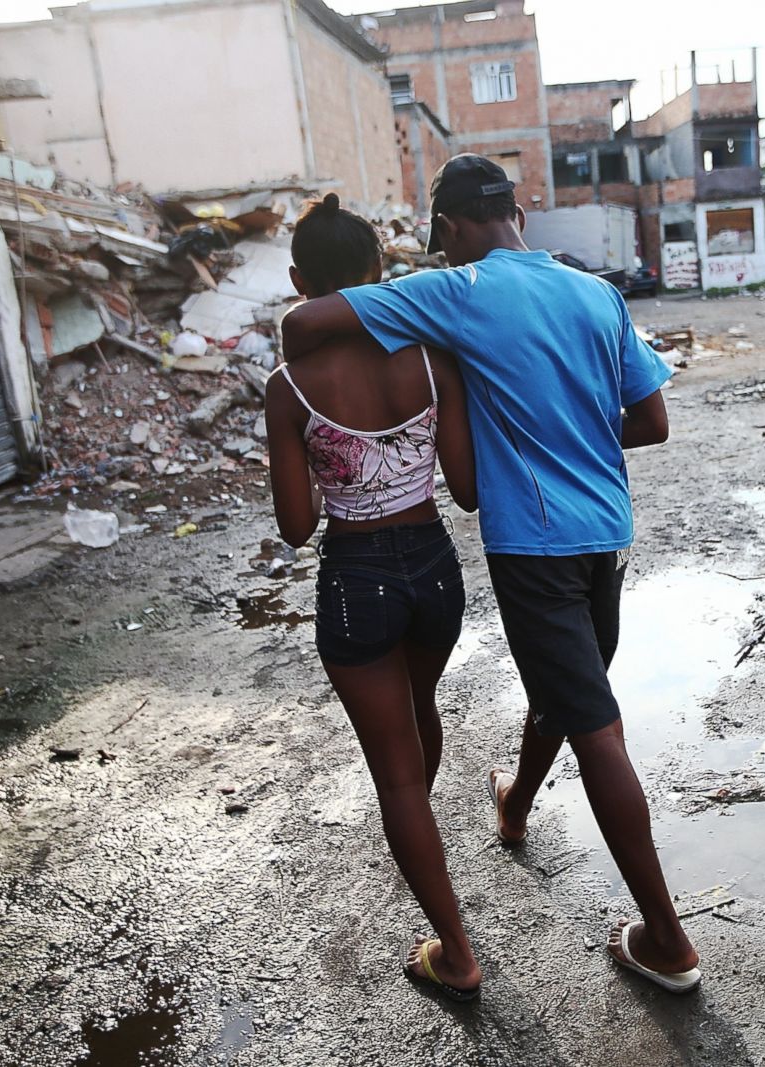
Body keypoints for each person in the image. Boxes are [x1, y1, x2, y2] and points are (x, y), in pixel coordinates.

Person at [282, 155, 702, 994]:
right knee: (568, 686)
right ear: (519, 210)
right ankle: (513, 804)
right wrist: (572, 428)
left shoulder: (458, 291)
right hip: (603, 537)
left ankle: (668, 939)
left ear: (447, 231)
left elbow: (304, 327)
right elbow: (650, 420)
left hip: (535, 547)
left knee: (594, 724)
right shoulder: (595, 292)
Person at [264, 193, 483, 1002]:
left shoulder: (288, 386)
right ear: (381, 272)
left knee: (393, 773)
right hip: (434, 567)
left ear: (298, 281)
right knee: (419, 707)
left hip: (356, 578)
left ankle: (455, 951)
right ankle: (418, 841)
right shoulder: (432, 360)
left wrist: (337, 466)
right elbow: (464, 488)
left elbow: (294, 525)